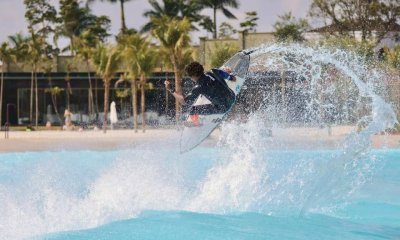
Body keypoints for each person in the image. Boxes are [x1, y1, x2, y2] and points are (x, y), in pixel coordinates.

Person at [164, 62, 236, 117]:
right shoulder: (213, 71)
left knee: (191, 109)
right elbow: (233, 79)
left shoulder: (199, 87)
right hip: (232, 97)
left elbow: (184, 102)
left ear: (193, 76)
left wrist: (171, 89)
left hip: (224, 107)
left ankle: (197, 124)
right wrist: (228, 73)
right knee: (211, 93)